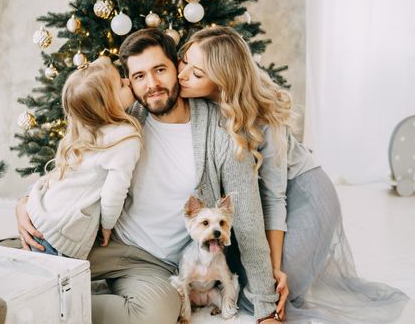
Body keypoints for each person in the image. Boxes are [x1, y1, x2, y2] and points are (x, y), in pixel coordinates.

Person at [16, 29, 282, 324]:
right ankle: (39, 291)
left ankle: (43, 305)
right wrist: (27, 199)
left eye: (159, 70)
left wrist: (266, 309)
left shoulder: (222, 134)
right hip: (104, 242)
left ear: (177, 68)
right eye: (140, 76)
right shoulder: (123, 114)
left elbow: (247, 221)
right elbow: (77, 161)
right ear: (129, 81)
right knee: (15, 263)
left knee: (156, 313)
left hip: (154, 264)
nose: (152, 84)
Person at [177, 25, 415, 323]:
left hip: (302, 192)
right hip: (252, 201)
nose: (182, 75)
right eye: (185, 61)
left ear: (224, 83)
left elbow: (274, 198)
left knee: (277, 287)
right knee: (239, 275)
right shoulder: (197, 105)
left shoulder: (263, 118)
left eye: (196, 74)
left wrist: (274, 267)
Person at [25, 57, 141, 259]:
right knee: (59, 286)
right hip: (59, 232)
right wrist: (107, 226)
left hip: (41, 212)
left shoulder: (84, 130)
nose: (128, 81)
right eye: (121, 85)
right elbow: (114, 192)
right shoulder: (125, 138)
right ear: (108, 105)